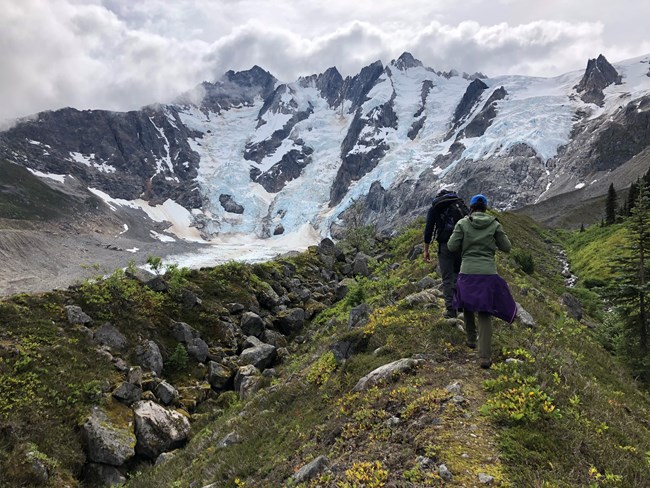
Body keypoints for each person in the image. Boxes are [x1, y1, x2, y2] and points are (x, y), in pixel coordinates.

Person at [447, 194, 517, 369]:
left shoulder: (462, 223)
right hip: (488, 272)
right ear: (485, 208)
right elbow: (507, 247)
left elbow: (451, 246)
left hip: (467, 270)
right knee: (485, 312)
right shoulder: (494, 224)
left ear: (470, 207)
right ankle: (485, 357)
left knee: (467, 304)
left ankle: (471, 339)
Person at [423, 189, 468, 318]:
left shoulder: (435, 208)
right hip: (461, 244)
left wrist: (426, 250)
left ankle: (451, 310)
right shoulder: (458, 205)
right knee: (460, 274)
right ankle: (461, 305)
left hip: (445, 246)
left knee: (447, 278)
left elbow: (429, 230)